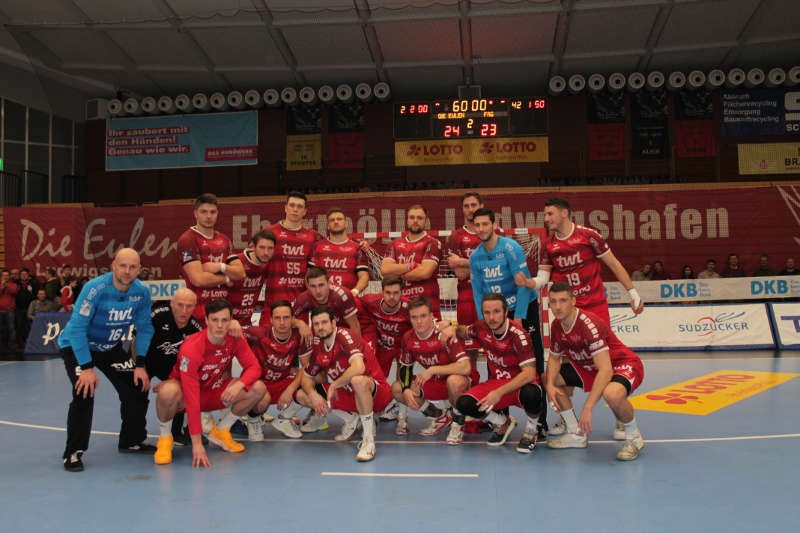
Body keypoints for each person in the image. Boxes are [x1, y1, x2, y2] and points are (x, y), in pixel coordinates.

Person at [57, 248, 156, 471]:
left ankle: (131, 440)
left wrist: (140, 364)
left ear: (139, 269)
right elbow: (78, 328)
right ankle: (73, 451)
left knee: (137, 386)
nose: (127, 271)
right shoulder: (95, 289)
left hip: (109, 347)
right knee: (85, 389)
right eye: (123, 266)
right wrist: (86, 367)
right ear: (113, 265)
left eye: (133, 267)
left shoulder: (141, 292)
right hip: (77, 346)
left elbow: (145, 328)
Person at [153, 299, 266, 467]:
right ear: (206, 321)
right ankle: (165, 438)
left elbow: (254, 368)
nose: (220, 325)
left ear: (231, 321)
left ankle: (222, 430)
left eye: (224, 320)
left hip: (212, 391)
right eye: (214, 320)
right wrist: (197, 444)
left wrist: (239, 384)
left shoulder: (234, 338)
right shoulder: (192, 347)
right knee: (167, 391)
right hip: (184, 397)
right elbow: (191, 398)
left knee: (258, 388)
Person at [545, 281, 645, 461]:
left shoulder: (588, 324)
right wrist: (550, 385)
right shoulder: (556, 326)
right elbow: (554, 358)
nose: (558, 307)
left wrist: (588, 408)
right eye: (553, 302)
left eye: (563, 301)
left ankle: (633, 437)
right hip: (589, 367)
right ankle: (576, 434)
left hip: (619, 363)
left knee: (612, 394)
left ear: (573, 301)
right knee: (548, 378)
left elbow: (606, 370)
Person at [468, 207, 546, 436]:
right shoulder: (475, 257)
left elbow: (522, 283)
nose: (481, 228)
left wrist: (519, 318)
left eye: (485, 224)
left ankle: (540, 423)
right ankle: (499, 420)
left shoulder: (511, 248)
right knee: (496, 365)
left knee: (534, 364)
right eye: (477, 225)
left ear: (494, 224)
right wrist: (483, 322)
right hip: (494, 314)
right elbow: (477, 292)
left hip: (522, 308)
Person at [440, 294, 544, 453]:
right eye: (487, 313)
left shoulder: (519, 335)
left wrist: (498, 392)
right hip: (495, 383)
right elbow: (464, 331)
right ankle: (502, 422)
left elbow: (530, 374)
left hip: (519, 384)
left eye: (496, 312)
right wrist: (451, 326)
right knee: (464, 403)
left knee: (533, 394)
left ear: (505, 311)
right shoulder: (481, 327)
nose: (492, 317)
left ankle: (531, 429)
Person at [517, 197, 643, 326]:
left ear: (564, 213)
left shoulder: (589, 236)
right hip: (567, 308)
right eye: (545, 215)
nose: (546, 219)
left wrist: (633, 294)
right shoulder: (548, 245)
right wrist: (528, 282)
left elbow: (614, 265)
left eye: (550, 214)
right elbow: (542, 279)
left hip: (595, 305)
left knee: (603, 345)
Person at [295, 306, 392, 462]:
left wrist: (334, 385)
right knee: (302, 394)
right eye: (316, 324)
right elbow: (306, 377)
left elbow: (359, 367)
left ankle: (368, 441)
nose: (320, 327)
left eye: (324, 322)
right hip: (350, 395)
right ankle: (351, 419)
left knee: (357, 380)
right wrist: (313, 395)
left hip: (377, 393)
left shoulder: (345, 336)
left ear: (333, 323)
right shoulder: (319, 348)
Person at [393, 297, 477, 443]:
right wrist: (407, 388)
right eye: (414, 317)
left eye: (423, 316)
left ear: (432, 316)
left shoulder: (443, 333)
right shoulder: (408, 338)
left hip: (463, 381)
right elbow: (405, 367)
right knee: (397, 388)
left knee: (454, 381)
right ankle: (439, 416)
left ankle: (458, 424)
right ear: (410, 318)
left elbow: (465, 367)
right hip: (437, 382)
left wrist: (432, 370)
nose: (419, 321)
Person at [244, 300, 312, 440]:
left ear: (293, 319)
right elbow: (232, 337)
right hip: (260, 383)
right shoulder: (258, 334)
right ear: (271, 320)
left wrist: (289, 390)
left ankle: (284, 419)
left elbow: (306, 367)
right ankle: (253, 420)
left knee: (310, 390)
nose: (282, 322)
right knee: (263, 399)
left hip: (283, 381)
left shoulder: (299, 336)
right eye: (277, 318)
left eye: (286, 318)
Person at [144, 288, 203, 445]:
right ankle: (133, 437)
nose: (184, 311)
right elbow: (139, 339)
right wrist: (139, 366)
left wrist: (174, 380)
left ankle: (175, 432)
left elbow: (194, 365)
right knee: (136, 391)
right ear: (171, 303)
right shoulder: (157, 314)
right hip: (147, 359)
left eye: (189, 306)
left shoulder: (195, 329)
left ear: (194, 307)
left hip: (172, 367)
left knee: (180, 389)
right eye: (179, 305)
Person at [177, 193, 245, 325]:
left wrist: (220, 267)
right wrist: (226, 278)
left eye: (212, 212)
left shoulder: (224, 240)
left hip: (223, 312)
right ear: (195, 214)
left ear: (217, 214)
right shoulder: (188, 239)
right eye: (204, 212)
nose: (208, 216)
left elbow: (241, 273)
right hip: (199, 314)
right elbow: (198, 280)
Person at [260, 191, 322, 326]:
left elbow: (332, 246)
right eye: (292, 205)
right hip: (272, 304)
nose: (295, 209)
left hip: (300, 308)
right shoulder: (269, 232)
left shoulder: (313, 236)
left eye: (299, 206)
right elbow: (252, 258)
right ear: (285, 207)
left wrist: (360, 245)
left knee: (300, 346)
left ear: (305, 211)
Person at [381, 204, 443, 319]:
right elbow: (385, 270)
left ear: (426, 222)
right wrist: (412, 266)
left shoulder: (432, 243)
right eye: (412, 217)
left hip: (427, 305)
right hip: (402, 306)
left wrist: (397, 273)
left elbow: (425, 272)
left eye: (420, 218)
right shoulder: (394, 244)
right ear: (407, 220)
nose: (415, 221)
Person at [446, 192, 495, 326]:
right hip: (467, 295)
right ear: (462, 209)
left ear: (482, 206)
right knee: (467, 337)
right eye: (466, 206)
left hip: (491, 293)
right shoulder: (456, 236)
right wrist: (486, 265)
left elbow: (498, 266)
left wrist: (461, 262)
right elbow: (460, 274)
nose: (470, 209)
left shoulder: (495, 234)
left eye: (473, 205)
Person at [310, 208, 370, 296]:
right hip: (323, 299)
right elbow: (309, 275)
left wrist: (355, 291)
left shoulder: (358, 248)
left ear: (346, 224)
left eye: (339, 219)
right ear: (328, 226)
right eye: (332, 220)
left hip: (348, 298)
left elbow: (364, 276)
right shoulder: (317, 246)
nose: (336, 222)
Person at [226, 230, 275, 327]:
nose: (266, 252)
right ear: (253, 246)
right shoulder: (236, 261)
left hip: (247, 323)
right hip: (226, 322)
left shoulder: (267, 264)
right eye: (262, 247)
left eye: (270, 248)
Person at [292, 267, 361, 334]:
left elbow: (355, 326)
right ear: (308, 286)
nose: (318, 291)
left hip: (345, 327)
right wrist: (299, 323)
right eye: (313, 286)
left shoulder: (342, 296)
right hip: (324, 328)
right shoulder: (304, 298)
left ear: (328, 283)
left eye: (321, 285)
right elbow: (286, 318)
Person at [15, 268, 38, 347]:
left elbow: (36, 295)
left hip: (29, 309)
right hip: (19, 308)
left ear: (28, 276)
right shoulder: (16, 284)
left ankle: (30, 343)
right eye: (22, 274)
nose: (24, 276)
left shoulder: (33, 284)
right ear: (20, 276)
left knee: (28, 326)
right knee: (19, 326)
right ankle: (19, 343)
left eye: (25, 275)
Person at [0, 269, 18, 350]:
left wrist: (6, 285)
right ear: (1, 276)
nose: (5, 277)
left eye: (7, 275)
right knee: (1, 329)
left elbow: (14, 292)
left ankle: (11, 345)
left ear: (9, 276)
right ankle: (1, 345)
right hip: (0, 310)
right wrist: (2, 286)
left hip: (9, 311)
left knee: (11, 329)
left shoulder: (13, 285)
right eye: (4, 275)